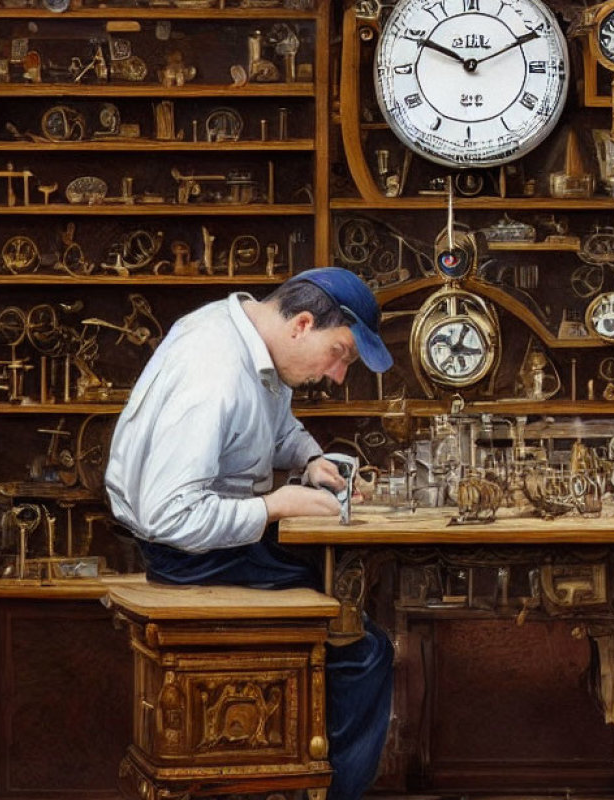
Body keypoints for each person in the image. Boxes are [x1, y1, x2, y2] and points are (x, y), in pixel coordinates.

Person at [105, 267, 394, 800]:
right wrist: (278, 505)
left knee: (349, 593)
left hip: (215, 539)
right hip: (188, 555)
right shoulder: (213, 374)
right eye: (341, 354)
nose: (336, 375)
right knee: (365, 651)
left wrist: (310, 459)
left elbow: (274, 426)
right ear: (302, 324)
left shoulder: (250, 337)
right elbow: (170, 516)